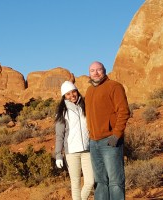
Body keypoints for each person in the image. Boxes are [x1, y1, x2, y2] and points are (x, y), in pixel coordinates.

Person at [85, 61, 130, 200]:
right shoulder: (89, 90)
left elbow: (124, 112)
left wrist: (116, 135)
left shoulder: (114, 86)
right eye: (92, 70)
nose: (96, 73)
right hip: (94, 142)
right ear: (89, 73)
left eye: (99, 70)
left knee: (115, 181)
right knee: (100, 181)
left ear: (104, 71)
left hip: (110, 140)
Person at [55, 81, 94, 200]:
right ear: (64, 96)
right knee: (75, 184)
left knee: (90, 181)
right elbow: (59, 135)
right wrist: (58, 155)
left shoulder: (85, 106)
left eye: (73, 91)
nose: (72, 95)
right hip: (71, 152)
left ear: (77, 91)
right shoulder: (62, 112)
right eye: (68, 94)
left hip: (87, 150)